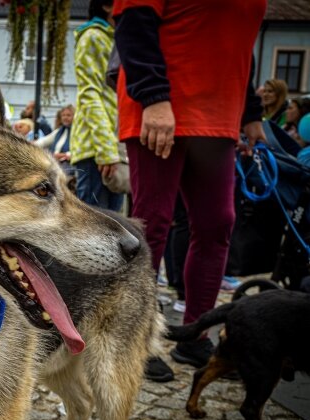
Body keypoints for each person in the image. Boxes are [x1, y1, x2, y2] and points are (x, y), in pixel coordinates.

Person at [114, 0, 266, 382]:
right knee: (152, 224)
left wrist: (250, 112)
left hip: (219, 113)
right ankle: (129, 339)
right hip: (163, 105)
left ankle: (194, 336)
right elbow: (134, 21)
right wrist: (153, 97)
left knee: (217, 224)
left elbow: (239, 45)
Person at [69, 0, 123, 212]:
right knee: (94, 229)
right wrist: (106, 150)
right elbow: (89, 93)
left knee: (114, 226)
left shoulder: (112, 37)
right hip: (96, 149)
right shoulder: (93, 37)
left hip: (108, 145)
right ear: (107, 6)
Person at [34, 104, 74, 171]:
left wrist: (63, 155)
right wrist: (28, 144)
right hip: (56, 163)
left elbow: (78, 151)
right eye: (63, 115)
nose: (65, 117)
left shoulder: (76, 132)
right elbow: (44, 141)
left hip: (69, 165)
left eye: (68, 115)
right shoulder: (59, 131)